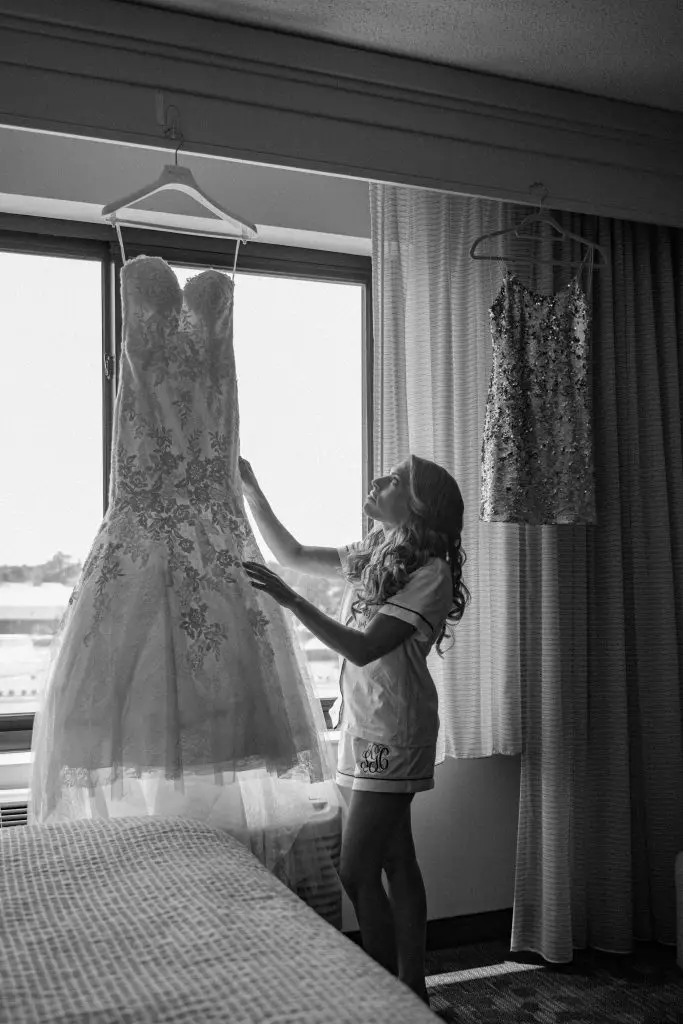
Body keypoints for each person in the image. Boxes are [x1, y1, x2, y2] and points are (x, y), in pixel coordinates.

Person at [240, 453, 470, 1006]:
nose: (377, 481)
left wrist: (291, 600)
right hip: (363, 729)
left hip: (392, 734)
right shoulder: (377, 553)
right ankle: (411, 991)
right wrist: (251, 487)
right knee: (395, 859)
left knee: (355, 867)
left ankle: (384, 998)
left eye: (392, 479)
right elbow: (290, 553)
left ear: (416, 504)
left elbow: (365, 649)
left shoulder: (431, 573)